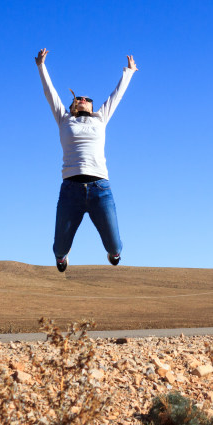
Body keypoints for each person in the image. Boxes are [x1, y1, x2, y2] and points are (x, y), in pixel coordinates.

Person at [35, 48, 138, 272]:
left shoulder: (100, 118)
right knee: (59, 248)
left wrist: (129, 72)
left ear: (92, 106)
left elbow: (116, 95)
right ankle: (62, 258)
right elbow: (49, 92)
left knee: (115, 245)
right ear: (74, 105)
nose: (82, 99)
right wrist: (41, 66)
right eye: (79, 98)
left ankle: (114, 254)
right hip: (70, 189)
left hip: (100, 189)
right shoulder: (64, 119)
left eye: (87, 99)